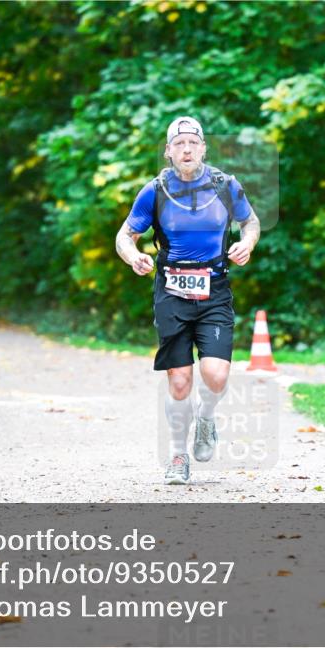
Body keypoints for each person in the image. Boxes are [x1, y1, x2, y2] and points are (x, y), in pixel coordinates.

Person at [115, 117, 261, 484]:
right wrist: (133, 256)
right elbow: (125, 235)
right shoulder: (156, 191)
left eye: (192, 143)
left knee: (215, 376)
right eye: (178, 143)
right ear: (168, 151)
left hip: (214, 291)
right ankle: (178, 456)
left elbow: (251, 222)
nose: (186, 149)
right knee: (179, 382)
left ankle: (206, 419)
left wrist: (247, 243)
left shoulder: (225, 186)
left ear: (203, 148)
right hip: (172, 292)